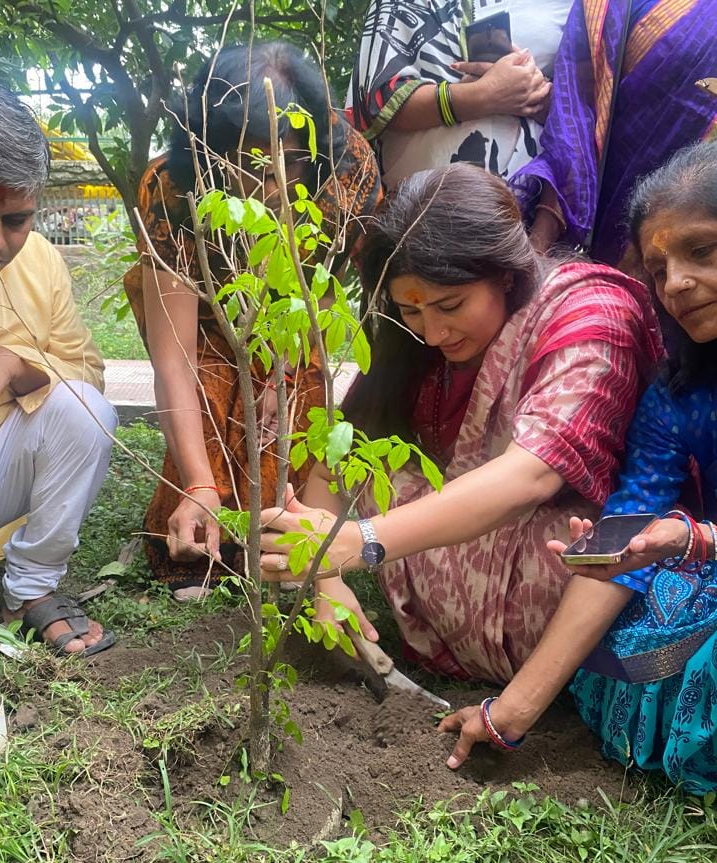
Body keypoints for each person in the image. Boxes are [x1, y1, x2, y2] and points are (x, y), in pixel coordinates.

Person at [259, 162, 663, 682]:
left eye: (450, 305)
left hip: (564, 560)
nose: (432, 334)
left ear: (505, 273)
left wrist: (362, 541)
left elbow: (532, 475)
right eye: (412, 312)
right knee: (376, 465)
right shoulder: (414, 342)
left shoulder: (590, 314)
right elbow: (337, 462)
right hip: (467, 543)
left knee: (566, 547)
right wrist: (328, 583)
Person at [440, 141, 717, 793]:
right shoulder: (675, 396)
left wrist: (694, 541)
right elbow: (634, 519)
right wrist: (510, 714)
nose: (676, 283)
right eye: (658, 268)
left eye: (701, 252)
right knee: (652, 623)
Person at [124, 42, 381, 600]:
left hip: (296, 320)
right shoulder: (171, 187)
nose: (274, 185)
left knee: (294, 422)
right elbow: (174, 357)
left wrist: (283, 370)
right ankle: (204, 516)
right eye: (250, 163)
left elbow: (323, 293)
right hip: (209, 326)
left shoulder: (346, 169)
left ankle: (288, 534)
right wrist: (198, 483)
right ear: (210, 149)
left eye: (292, 160)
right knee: (210, 397)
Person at [0, 72, 116, 656]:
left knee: (85, 410)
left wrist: (11, 363)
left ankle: (28, 591)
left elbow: (87, 372)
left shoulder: (41, 261)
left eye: (16, 220)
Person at [512, 0, 717, 265]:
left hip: (700, 235)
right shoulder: (602, 6)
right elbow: (574, 120)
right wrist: (539, 247)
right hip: (583, 230)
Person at [347, 0, 571, 188]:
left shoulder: (574, 7)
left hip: (531, 200)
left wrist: (535, 93)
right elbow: (379, 102)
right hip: (420, 204)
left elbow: (585, 106)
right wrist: (483, 95)